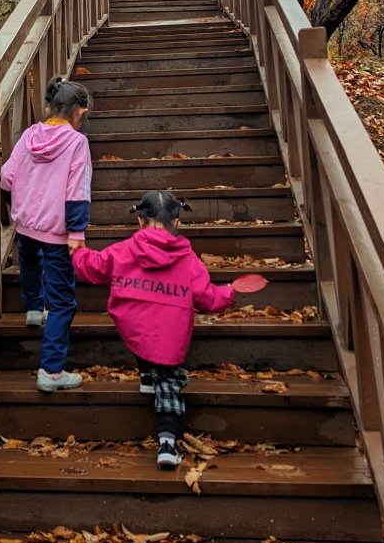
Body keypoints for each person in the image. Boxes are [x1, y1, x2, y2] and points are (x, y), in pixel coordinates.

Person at [72, 190, 267, 468]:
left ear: (140, 220)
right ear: (177, 221)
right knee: (170, 383)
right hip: (170, 336)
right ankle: (167, 442)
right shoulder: (188, 260)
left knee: (142, 334)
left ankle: (147, 376)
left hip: (135, 327)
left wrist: (76, 254)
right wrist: (228, 293)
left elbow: (95, 266)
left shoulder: (124, 250)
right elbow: (206, 297)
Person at [0, 76, 93, 392]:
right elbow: (76, 190)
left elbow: (6, 176)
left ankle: (32, 309)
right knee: (64, 301)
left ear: (48, 107)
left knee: (28, 262)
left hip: (27, 224)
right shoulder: (77, 143)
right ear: (78, 113)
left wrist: (16, 203)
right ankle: (51, 371)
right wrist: (77, 230)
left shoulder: (28, 136)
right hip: (58, 232)